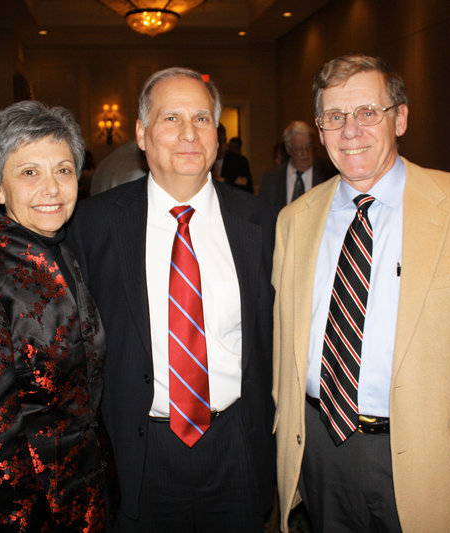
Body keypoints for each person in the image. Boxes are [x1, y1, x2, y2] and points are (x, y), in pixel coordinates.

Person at [272, 54, 450, 533]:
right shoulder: (294, 221)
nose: (351, 130)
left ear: (402, 117)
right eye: (335, 117)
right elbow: (285, 347)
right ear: (320, 130)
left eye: (368, 112)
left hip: (433, 466)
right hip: (321, 451)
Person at [68, 67, 276, 532]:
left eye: (202, 119)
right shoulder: (94, 225)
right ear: (141, 134)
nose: (188, 134)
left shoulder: (262, 223)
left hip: (237, 444)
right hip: (138, 450)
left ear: (217, 136)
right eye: (171, 119)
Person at [0, 100, 117, 532]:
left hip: (84, 484)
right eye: (29, 172)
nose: (51, 188)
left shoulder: (61, 250)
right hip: (24, 507)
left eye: (64, 170)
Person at [259, 121, 330, 213]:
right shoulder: (271, 179)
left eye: (308, 147)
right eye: (298, 149)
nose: (305, 153)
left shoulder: (329, 174)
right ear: (288, 149)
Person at [213, 123, 254, 193]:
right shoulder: (200, 162)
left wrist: (224, 181)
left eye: (224, 140)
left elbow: (246, 191)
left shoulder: (239, 162)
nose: (224, 145)